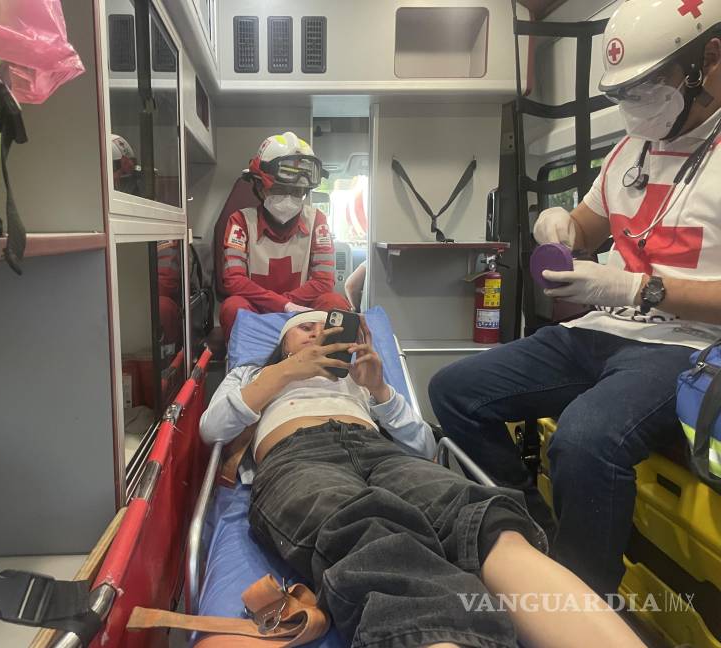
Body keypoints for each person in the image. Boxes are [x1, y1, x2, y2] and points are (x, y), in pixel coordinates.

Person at [430, 0, 721, 597]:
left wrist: (638, 288)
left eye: (647, 88)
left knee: (585, 440)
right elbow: (588, 226)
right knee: (454, 391)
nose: (635, 106)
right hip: (603, 328)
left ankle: (581, 604)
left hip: (687, 346)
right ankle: (525, 536)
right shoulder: (631, 147)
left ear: (709, 61)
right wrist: (559, 227)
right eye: (623, 93)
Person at [200, 311, 647, 648]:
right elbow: (212, 429)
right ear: (282, 343)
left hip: (379, 452)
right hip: (298, 454)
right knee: (368, 532)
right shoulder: (253, 376)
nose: (318, 334)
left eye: (327, 326)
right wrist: (285, 372)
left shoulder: (356, 381)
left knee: (485, 520)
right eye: (305, 329)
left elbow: (422, 446)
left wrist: (378, 389)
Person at [219, 132, 351, 339]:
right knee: (232, 307)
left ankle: (324, 359)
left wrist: (290, 305)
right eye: (280, 189)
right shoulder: (240, 221)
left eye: (297, 191)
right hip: (258, 312)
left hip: (303, 312)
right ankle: (246, 359)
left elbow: (324, 281)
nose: (289, 198)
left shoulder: (317, 221)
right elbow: (234, 280)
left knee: (335, 303)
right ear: (259, 187)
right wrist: (282, 305)